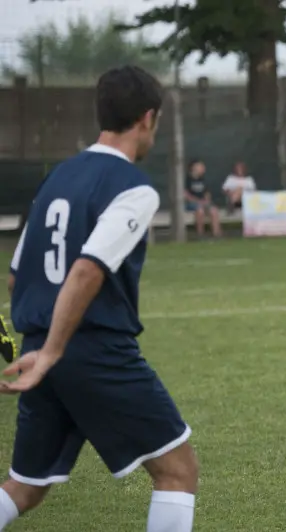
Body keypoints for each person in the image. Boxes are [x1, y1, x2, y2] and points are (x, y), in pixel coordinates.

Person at [0, 65, 198, 531]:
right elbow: (87, 269)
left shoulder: (57, 179)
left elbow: (15, 277)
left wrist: (41, 347)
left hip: (39, 347)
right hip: (89, 350)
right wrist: (54, 352)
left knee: (25, 487)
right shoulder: (133, 189)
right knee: (177, 471)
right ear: (148, 118)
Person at [185, 159, 223, 238]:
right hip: (191, 204)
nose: (203, 168)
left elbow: (207, 193)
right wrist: (198, 201)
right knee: (200, 211)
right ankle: (200, 234)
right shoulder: (187, 179)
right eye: (200, 166)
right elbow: (185, 195)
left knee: (214, 210)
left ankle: (217, 234)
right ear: (194, 167)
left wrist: (206, 201)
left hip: (203, 202)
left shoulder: (203, 179)